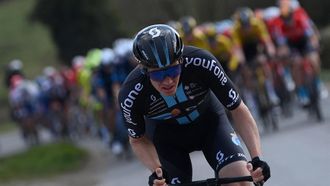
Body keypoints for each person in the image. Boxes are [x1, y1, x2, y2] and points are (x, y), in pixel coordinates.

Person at [118, 24, 270, 186]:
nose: (167, 80)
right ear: (144, 70)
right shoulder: (130, 93)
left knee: (241, 182)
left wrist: (256, 158)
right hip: (167, 142)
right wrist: (157, 171)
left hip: (211, 127)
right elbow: (137, 140)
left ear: (181, 61)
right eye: (158, 74)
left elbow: (238, 109)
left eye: (173, 70)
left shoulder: (202, 62)